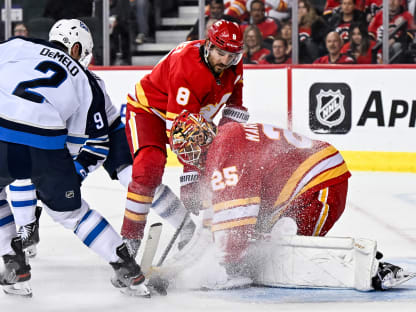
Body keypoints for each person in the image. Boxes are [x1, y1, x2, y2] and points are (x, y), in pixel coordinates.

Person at [8, 18, 195, 260]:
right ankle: (27, 230)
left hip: (106, 136)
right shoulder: (72, 77)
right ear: (76, 48)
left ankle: (185, 225)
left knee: (135, 179)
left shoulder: (87, 83)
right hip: (63, 140)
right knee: (22, 169)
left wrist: (77, 171)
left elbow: (98, 144)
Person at [167, 110, 413, 291]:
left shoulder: (225, 151)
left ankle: (373, 272)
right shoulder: (226, 136)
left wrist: (231, 269)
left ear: (199, 142)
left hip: (320, 182)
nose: (189, 158)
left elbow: (236, 218)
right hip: (306, 184)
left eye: (188, 150)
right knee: (264, 239)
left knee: (287, 250)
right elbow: (232, 211)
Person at [0, 19, 149, 297]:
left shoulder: (19, 44)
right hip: (45, 141)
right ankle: (127, 267)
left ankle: (14, 262)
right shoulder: (86, 80)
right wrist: (65, 175)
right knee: (72, 213)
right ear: (78, 48)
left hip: (2, 128)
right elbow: (90, 141)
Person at [121, 19, 249, 257]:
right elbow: (181, 130)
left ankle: (213, 239)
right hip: (150, 112)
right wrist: (191, 175)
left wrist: (223, 147)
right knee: (148, 168)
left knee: (219, 174)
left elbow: (234, 107)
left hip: (193, 121)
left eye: (231, 55)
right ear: (209, 45)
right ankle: (129, 240)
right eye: (220, 53)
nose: (225, 61)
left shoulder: (234, 64)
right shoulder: (187, 64)